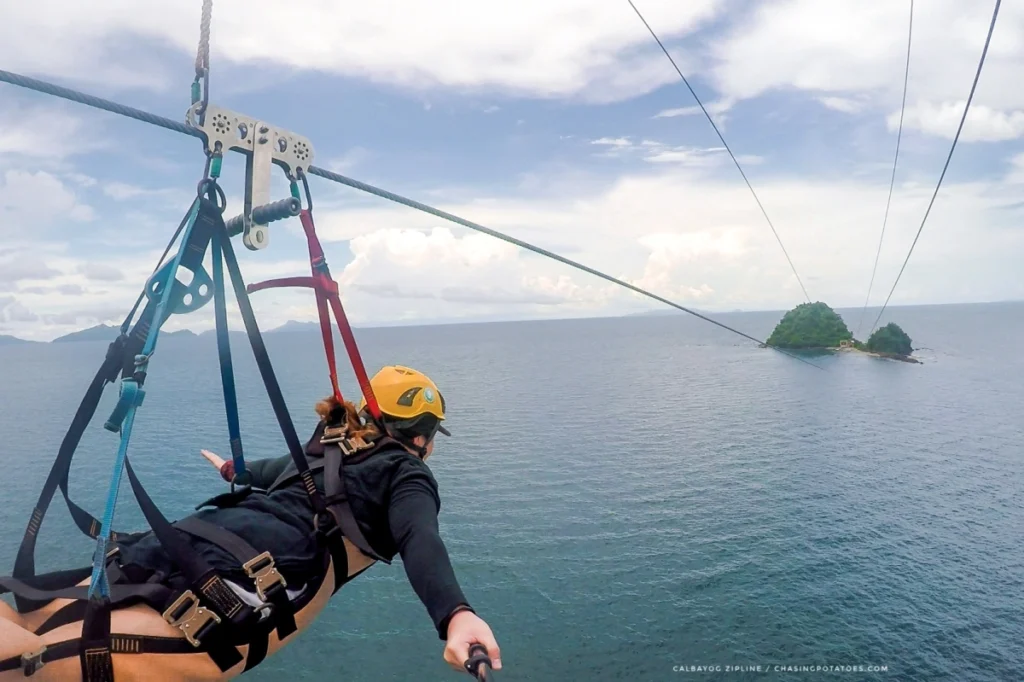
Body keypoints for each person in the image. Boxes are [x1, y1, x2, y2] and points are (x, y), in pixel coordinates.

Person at [0, 365, 501, 681]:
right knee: (39, 669)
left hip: (193, 536)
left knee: (27, 618)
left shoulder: (323, 448)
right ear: (421, 432)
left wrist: (229, 470)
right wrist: (455, 613)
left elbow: (266, 472)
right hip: (252, 577)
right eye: (432, 434)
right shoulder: (406, 472)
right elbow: (420, 538)